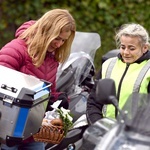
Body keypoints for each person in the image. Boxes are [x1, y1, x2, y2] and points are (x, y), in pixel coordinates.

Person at [0, 8, 76, 150]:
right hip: (7, 131)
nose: (59, 44)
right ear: (47, 31)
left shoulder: (51, 58)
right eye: (57, 38)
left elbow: (47, 90)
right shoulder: (17, 49)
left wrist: (57, 99)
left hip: (32, 132)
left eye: (63, 40)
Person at [86, 23, 150, 125]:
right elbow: (93, 102)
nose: (126, 52)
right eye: (122, 47)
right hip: (106, 133)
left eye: (131, 48)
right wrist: (98, 126)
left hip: (137, 136)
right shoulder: (108, 65)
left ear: (145, 48)